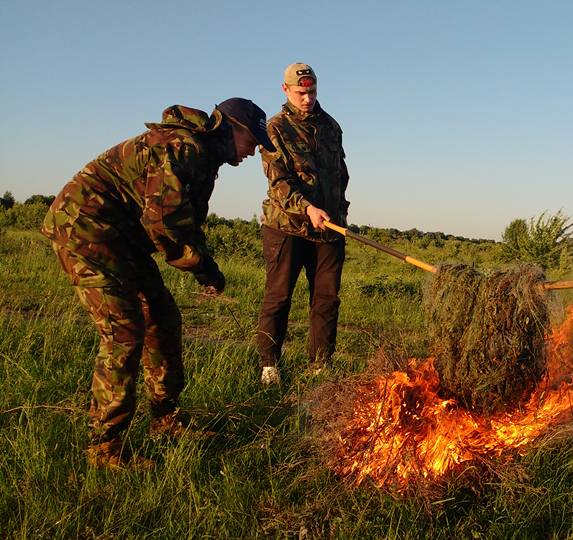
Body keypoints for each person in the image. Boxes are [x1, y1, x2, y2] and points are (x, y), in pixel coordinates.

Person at [41, 98, 276, 468]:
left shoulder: (203, 156)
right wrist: (202, 267)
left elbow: (182, 221)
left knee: (163, 318)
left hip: (121, 238)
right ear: (234, 129)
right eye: (253, 141)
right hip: (86, 229)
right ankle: (104, 447)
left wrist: (200, 261)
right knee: (124, 332)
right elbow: (164, 224)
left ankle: (166, 419)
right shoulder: (184, 148)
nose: (254, 152)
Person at [256, 62, 350, 385]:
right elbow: (278, 182)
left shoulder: (332, 127)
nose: (307, 98)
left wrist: (338, 212)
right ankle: (269, 365)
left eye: (311, 92)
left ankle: (321, 366)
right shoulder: (274, 129)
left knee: (326, 298)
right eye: (300, 93)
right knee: (279, 295)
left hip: (329, 229)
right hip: (286, 227)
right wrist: (307, 207)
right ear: (285, 90)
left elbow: (342, 173)